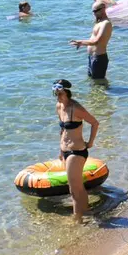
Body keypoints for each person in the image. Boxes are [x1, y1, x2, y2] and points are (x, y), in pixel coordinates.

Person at [52, 81, 99, 222]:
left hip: (77, 151)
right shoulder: (59, 107)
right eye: (56, 94)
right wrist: (60, 151)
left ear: (67, 92)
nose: (58, 97)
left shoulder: (76, 108)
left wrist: (90, 142)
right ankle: (87, 212)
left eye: (60, 94)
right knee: (78, 186)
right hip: (66, 151)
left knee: (73, 189)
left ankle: (77, 221)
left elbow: (95, 123)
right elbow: (63, 130)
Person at [72, 0, 115, 81]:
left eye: (96, 11)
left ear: (103, 9)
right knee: (92, 81)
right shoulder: (99, 22)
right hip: (91, 57)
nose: (94, 13)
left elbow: (96, 41)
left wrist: (81, 42)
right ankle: (95, 95)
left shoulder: (106, 23)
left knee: (99, 83)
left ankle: (103, 94)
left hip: (99, 58)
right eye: (93, 11)